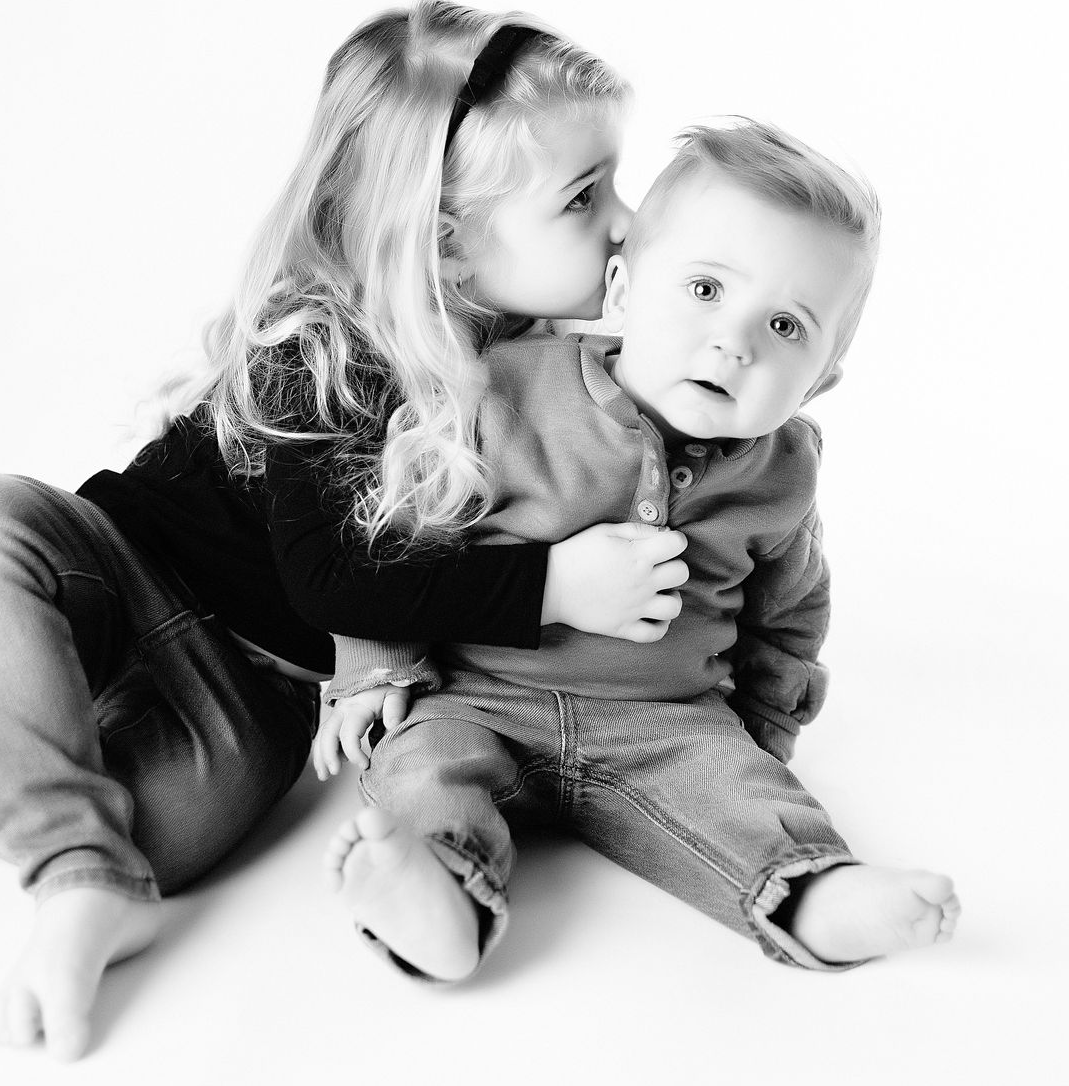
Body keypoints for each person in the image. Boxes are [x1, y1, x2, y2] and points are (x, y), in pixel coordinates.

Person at [0, 0, 691, 1058]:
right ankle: (79, 882)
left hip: (258, 685)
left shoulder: (548, 372)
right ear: (444, 244)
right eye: (585, 198)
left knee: (157, 831)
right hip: (120, 571)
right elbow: (336, 582)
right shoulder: (326, 343)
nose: (626, 223)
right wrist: (552, 587)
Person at [314, 119, 961, 982]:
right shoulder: (503, 388)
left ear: (821, 381)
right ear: (621, 290)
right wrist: (376, 669)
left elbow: (790, 610)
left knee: (743, 797)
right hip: (481, 695)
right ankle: (432, 891)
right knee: (425, 769)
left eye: (785, 325)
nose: (734, 342)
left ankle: (816, 893)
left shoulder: (782, 471)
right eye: (705, 290)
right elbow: (398, 529)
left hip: (668, 721)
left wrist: (761, 729)